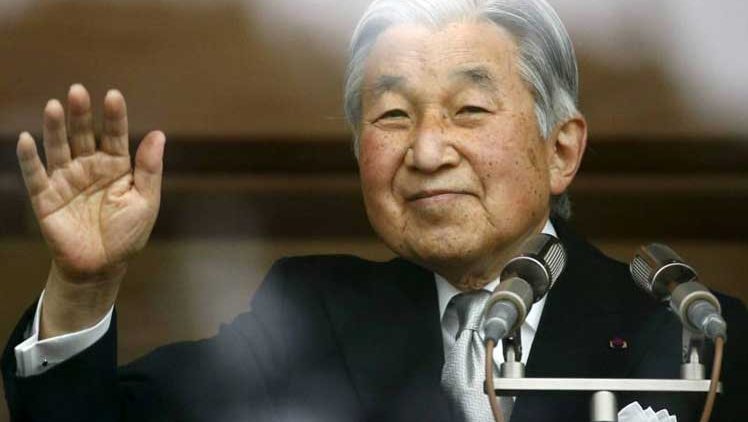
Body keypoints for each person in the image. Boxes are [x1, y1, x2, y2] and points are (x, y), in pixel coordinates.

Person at [2, 0, 746, 421]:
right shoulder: (313, 316)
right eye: (392, 116)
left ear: (562, 149)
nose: (427, 150)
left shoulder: (699, 337)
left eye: (469, 108)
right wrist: (84, 286)